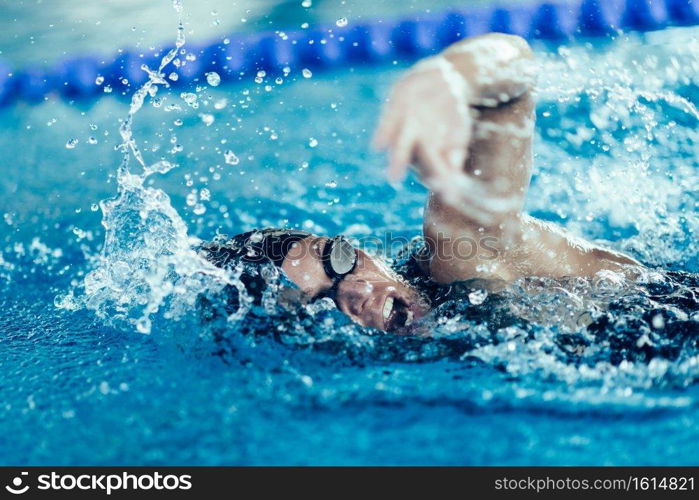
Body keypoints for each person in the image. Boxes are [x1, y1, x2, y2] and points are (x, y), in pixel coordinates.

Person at [200, 33, 641, 334]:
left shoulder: (459, 259)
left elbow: (514, 73)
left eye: (338, 259)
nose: (355, 292)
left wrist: (450, 76)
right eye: (318, 303)